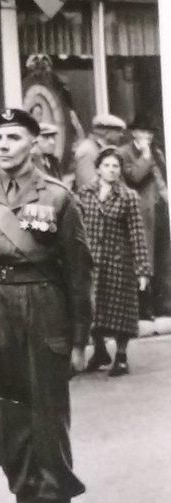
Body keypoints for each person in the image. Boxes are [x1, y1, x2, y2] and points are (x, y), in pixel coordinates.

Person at [0, 108, 93, 503]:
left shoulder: (58, 197)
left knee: (47, 417)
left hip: (43, 307)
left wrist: (79, 339)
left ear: (33, 143)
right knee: (8, 417)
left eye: (14, 137)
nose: (4, 145)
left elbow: (79, 273)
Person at [77, 147, 150, 376]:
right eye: (106, 165)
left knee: (121, 311)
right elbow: (77, 227)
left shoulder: (128, 197)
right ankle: (99, 351)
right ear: (98, 169)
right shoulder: (85, 193)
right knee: (91, 309)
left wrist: (142, 270)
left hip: (119, 263)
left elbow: (137, 233)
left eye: (115, 166)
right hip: (91, 260)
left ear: (120, 170)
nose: (111, 170)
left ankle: (121, 355)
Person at [120, 115, 168, 319]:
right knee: (143, 259)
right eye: (143, 131)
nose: (147, 136)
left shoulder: (156, 152)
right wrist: (146, 155)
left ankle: (163, 303)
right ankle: (144, 306)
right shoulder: (124, 153)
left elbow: (161, 179)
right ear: (133, 133)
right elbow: (134, 176)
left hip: (158, 210)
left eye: (149, 132)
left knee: (162, 256)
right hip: (139, 213)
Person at [73, 113, 127, 192]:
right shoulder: (87, 151)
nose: (121, 135)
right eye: (118, 131)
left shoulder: (105, 150)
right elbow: (88, 185)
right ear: (107, 133)